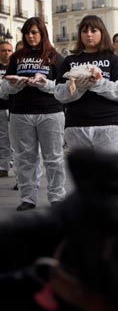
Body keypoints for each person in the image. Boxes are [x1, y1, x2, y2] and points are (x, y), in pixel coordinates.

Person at [1, 17, 65, 211]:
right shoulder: (17, 57)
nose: (30, 36)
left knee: (53, 158)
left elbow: (64, 89)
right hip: (20, 112)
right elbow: (4, 87)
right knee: (24, 158)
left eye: (34, 32)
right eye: (27, 33)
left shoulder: (55, 57)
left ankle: (57, 198)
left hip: (50, 112)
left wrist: (46, 85)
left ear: (42, 33)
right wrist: (12, 85)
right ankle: (28, 197)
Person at [55, 15, 118, 153]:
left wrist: (98, 84)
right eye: (84, 31)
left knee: (110, 171)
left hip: (110, 123)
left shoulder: (113, 60)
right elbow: (59, 94)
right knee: (83, 174)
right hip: (76, 125)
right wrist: (77, 87)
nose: (89, 35)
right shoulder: (70, 60)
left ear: (102, 33)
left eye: (93, 30)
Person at [0, 41, 13, 178]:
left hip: (13, 107)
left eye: (9, 50)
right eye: (3, 50)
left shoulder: (14, 67)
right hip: (0, 108)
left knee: (15, 139)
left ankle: (14, 163)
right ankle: (3, 167)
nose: (6, 53)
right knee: (2, 138)